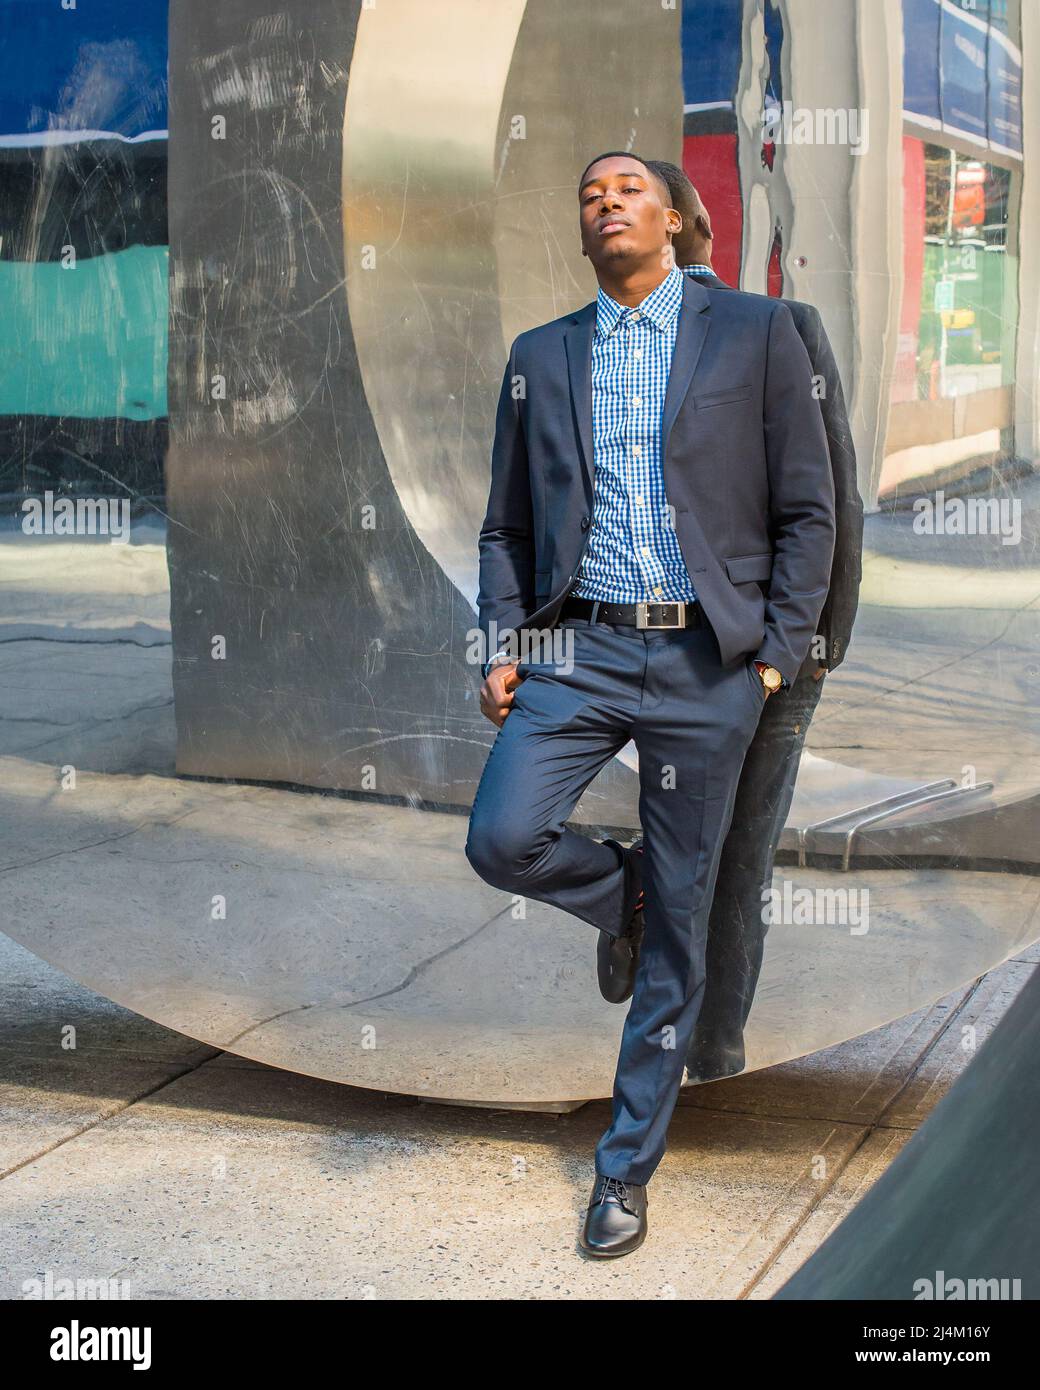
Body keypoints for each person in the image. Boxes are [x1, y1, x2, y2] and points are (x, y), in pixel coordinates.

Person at [466, 152, 835, 1257]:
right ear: (581, 231)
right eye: (587, 194)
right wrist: (507, 643)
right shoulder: (542, 355)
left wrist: (769, 660)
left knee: (685, 927)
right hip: (576, 650)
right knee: (502, 838)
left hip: (704, 665)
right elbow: (505, 529)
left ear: (673, 217)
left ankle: (622, 1169)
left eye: (627, 187)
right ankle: (622, 891)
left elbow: (808, 510)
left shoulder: (756, 332)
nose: (606, 201)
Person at [644, 159, 863, 1081]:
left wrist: (813, 646)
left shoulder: (772, 327)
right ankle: (695, 1033)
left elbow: (827, 498)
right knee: (711, 840)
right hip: (698, 639)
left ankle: (708, 1042)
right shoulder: (610, 348)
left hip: (758, 642)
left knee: (716, 844)